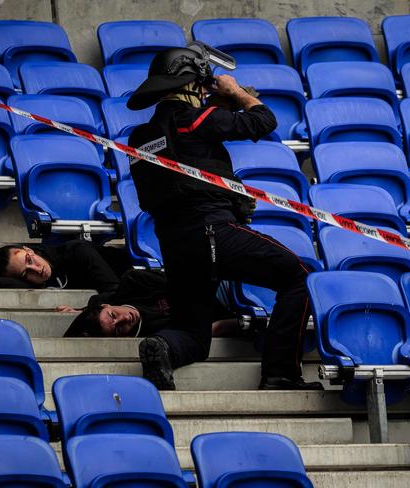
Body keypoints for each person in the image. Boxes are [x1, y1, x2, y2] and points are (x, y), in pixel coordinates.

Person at [125, 45, 322, 391]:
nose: (204, 91)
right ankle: (280, 374)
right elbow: (265, 120)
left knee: (193, 336)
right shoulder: (194, 119)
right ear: (189, 83)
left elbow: (184, 163)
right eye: (201, 85)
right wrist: (235, 92)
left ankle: (163, 348)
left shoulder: (140, 138)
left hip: (174, 245)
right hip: (214, 233)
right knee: (300, 277)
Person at [63, 268, 239, 338]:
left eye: (114, 315)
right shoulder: (154, 334)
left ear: (107, 306)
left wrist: (81, 310)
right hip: (231, 312)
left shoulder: (134, 282)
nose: (124, 319)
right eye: (118, 329)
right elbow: (211, 329)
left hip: (219, 284)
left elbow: (188, 278)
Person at [0, 241, 130, 301]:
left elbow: (114, 290)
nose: (37, 269)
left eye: (29, 260)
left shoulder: (77, 252)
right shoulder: (37, 282)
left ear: (29, 249)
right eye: (26, 273)